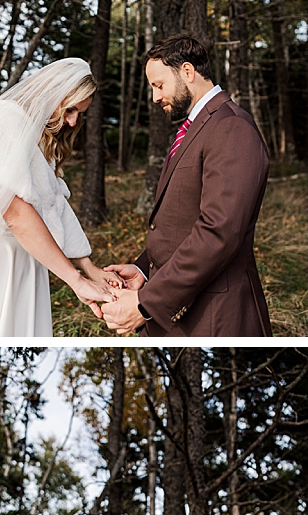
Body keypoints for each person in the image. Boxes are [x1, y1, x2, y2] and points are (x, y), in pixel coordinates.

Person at [97, 35, 272, 337]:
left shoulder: (231, 127)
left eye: (159, 85)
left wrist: (145, 303)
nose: (155, 97)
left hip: (216, 317)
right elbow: (184, 220)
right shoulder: (195, 127)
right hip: (185, 312)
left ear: (188, 72)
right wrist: (143, 269)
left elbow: (218, 232)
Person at [0, 58, 118, 336]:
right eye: (70, 109)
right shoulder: (6, 119)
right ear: (53, 92)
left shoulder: (41, 137)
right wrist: (74, 280)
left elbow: (54, 204)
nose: (72, 122)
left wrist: (87, 265)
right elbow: (15, 212)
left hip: (27, 260)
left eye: (80, 113)